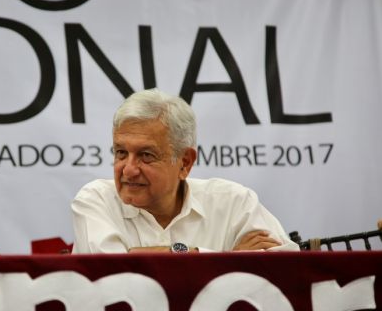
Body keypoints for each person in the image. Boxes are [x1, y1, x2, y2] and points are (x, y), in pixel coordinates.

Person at [71, 88, 299, 253]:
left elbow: (287, 266)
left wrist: (159, 256)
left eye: (146, 156)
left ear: (185, 163)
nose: (128, 170)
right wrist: (224, 260)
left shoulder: (233, 202)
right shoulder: (96, 200)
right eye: (121, 153)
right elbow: (118, 276)